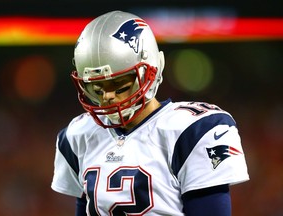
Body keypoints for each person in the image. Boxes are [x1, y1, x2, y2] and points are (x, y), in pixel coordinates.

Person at [51, 10, 249, 215]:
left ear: (151, 70)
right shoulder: (78, 135)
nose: (108, 97)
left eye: (119, 86)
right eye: (98, 88)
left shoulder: (195, 131)